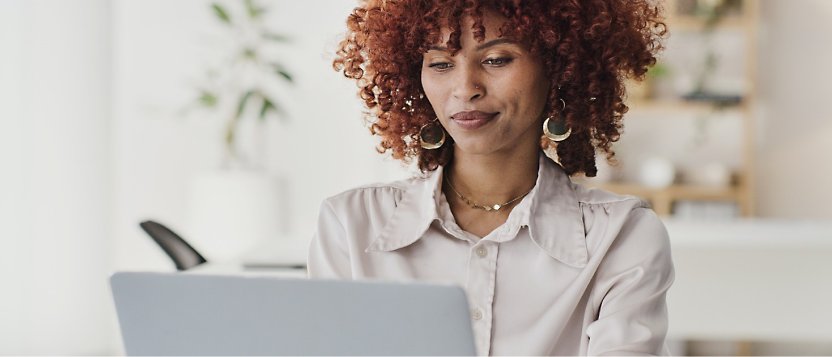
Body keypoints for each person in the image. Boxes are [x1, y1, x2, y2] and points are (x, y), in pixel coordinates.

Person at [308, 0, 674, 355]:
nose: (466, 88)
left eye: (496, 59)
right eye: (439, 64)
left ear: (559, 68)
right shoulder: (352, 226)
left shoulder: (620, 236)